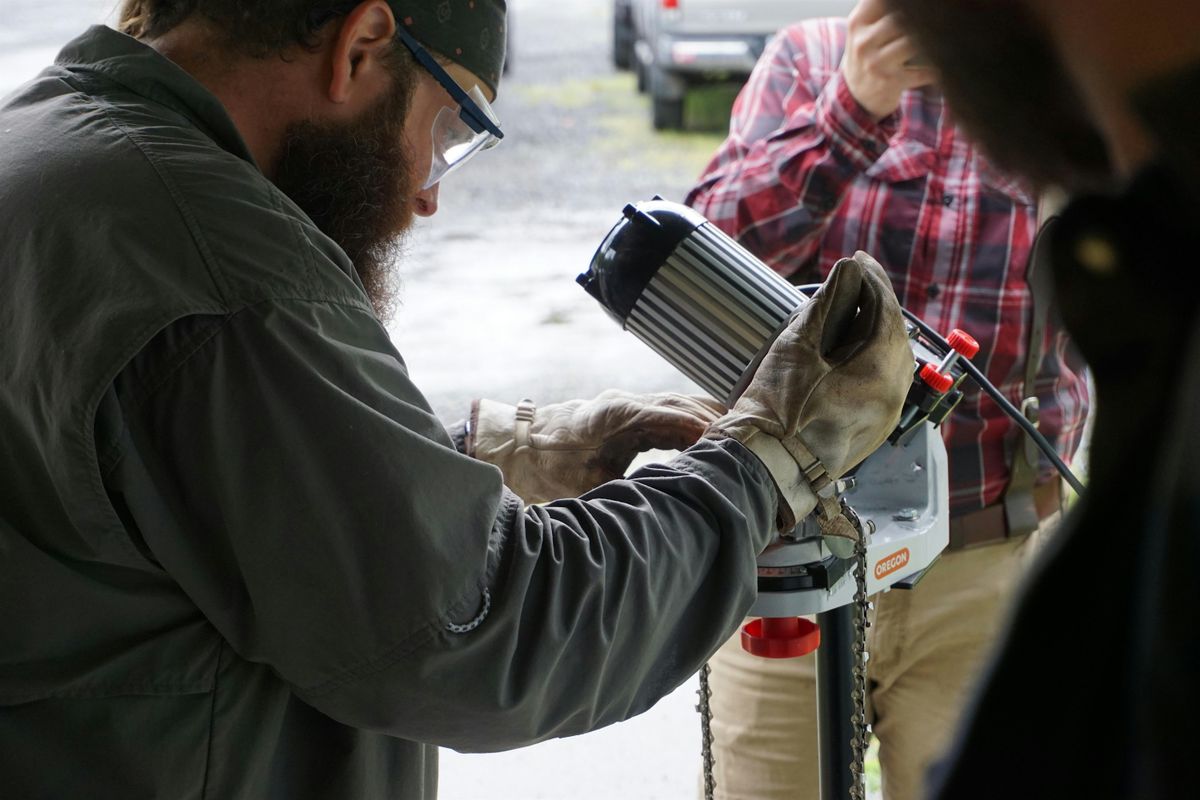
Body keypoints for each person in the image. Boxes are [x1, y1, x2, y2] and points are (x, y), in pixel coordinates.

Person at [0, 1, 916, 798]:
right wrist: (766, 455)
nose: (429, 197)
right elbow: (487, 630)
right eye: (450, 128)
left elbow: (188, 484)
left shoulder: (56, 153)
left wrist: (505, 452)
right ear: (361, 44)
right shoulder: (219, 268)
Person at [684, 0, 1090, 797]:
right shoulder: (807, 63)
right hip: (788, 559)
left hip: (986, 572)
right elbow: (702, 271)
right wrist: (848, 113)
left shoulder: (1070, 84)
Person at [877, 1, 1199, 797]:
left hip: (982, 550)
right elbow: (713, 252)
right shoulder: (1154, 253)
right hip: (795, 555)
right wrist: (848, 111)